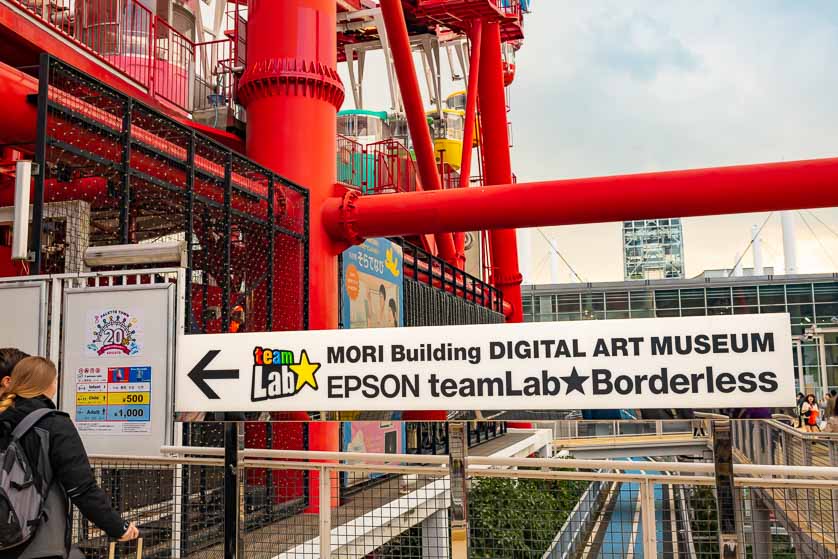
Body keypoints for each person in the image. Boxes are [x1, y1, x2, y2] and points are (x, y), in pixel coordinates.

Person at [0, 357, 138, 558]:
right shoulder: (54, 424)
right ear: (50, 384)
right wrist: (118, 527)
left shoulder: (5, 417)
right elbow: (81, 488)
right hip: (38, 541)